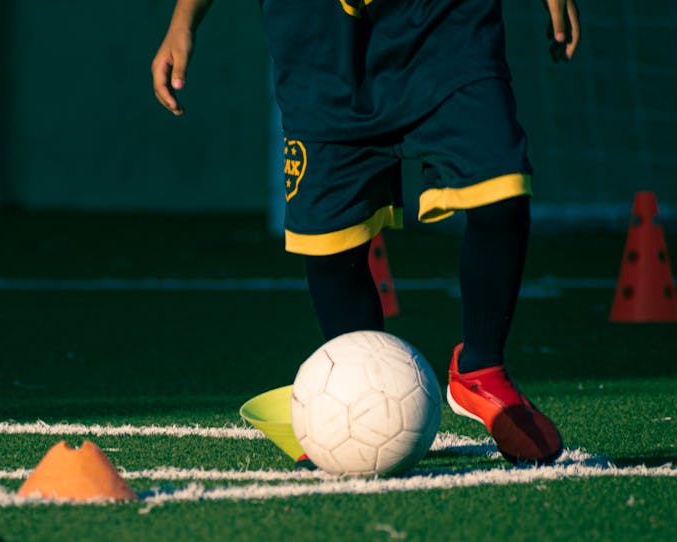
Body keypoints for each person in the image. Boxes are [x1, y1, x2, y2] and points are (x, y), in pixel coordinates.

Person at [153, 0, 581, 465]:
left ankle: (482, 368)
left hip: (443, 28)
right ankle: (359, 407)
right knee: (330, 250)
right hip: (320, 50)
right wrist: (183, 21)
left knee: (501, 183)